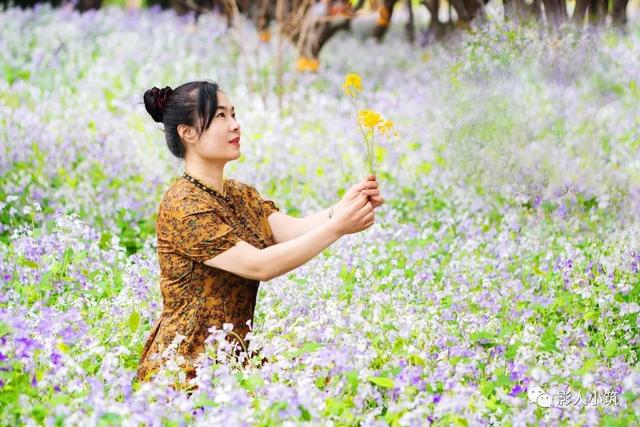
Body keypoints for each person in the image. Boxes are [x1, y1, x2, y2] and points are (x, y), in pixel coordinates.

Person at [136, 80, 384, 387]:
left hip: (234, 362)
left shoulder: (239, 194)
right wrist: (337, 227)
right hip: (186, 370)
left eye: (234, 115)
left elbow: (292, 230)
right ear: (187, 133)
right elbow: (259, 265)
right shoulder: (184, 205)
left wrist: (343, 206)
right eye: (220, 117)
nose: (235, 126)